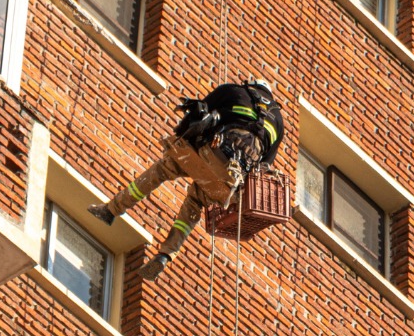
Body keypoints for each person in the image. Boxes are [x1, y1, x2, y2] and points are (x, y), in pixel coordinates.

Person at [87, 79, 285, 281]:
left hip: (212, 151)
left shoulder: (234, 91)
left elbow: (198, 114)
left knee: (161, 171)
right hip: (233, 177)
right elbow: (264, 168)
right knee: (195, 202)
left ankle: (111, 210)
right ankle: (165, 254)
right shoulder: (277, 120)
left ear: (251, 85)